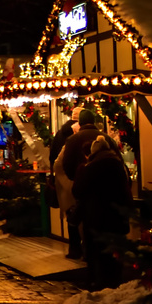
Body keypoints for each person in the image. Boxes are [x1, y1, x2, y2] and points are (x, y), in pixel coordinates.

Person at [71, 136, 133, 290]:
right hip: (116, 215)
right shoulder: (119, 165)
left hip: (96, 215)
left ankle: (96, 281)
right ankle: (114, 280)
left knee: (95, 250)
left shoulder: (92, 167)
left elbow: (78, 191)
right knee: (114, 249)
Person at [56, 111, 103, 259]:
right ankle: (98, 253)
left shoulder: (72, 140)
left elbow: (65, 163)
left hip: (80, 188)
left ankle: (78, 250)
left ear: (80, 123)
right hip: (102, 190)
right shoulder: (105, 138)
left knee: (77, 219)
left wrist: (75, 180)